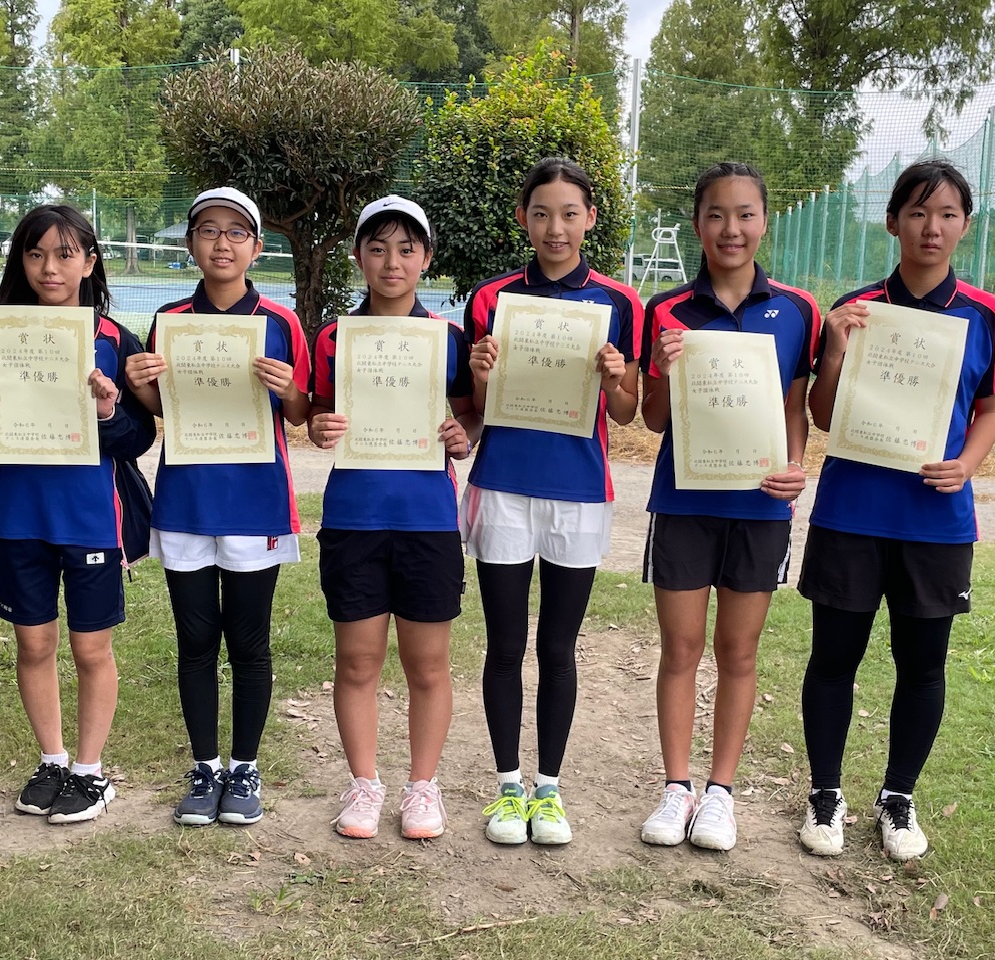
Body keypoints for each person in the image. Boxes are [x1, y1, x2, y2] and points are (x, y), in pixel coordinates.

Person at [796, 159, 995, 861]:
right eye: (918, 213)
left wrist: (968, 464)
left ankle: (898, 798)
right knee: (835, 659)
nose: (933, 228)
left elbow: (992, 407)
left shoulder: (987, 316)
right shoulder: (857, 309)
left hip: (936, 519)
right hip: (852, 513)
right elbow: (824, 414)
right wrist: (834, 351)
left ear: (965, 224)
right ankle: (824, 796)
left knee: (923, 665)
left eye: (948, 214)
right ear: (892, 221)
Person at [637, 162, 818, 852]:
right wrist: (661, 364)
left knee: (737, 651)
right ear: (697, 225)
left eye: (745, 214)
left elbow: (793, 409)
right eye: (716, 215)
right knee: (680, 649)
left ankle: (721, 794)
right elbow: (653, 420)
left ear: (764, 221)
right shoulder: (668, 310)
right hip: (683, 502)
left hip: (761, 509)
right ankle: (675, 788)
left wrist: (795, 464)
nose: (731, 229)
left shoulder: (798, 310)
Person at [464, 157, 641, 845]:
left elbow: (625, 415)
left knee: (560, 646)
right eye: (542, 213)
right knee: (505, 643)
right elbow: (479, 408)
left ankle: (550, 791)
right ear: (523, 219)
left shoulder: (620, 304)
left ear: (591, 219)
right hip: (503, 486)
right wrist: (480, 375)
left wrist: (619, 377)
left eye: (570, 213)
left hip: (578, 492)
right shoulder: (492, 298)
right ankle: (508, 787)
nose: (556, 227)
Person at [0, 205, 155, 823]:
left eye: (66, 254)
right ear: (21, 260)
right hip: (20, 516)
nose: (50, 267)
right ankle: (52, 759)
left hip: (92, 518)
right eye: (37, 253)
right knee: (34, 643)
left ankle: (91, 772)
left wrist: (107, 414)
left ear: (90, 263)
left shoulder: (115, 339)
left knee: (91, 649)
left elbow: (138, 439)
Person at [125, 187, 310, 828]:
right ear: (191, 245)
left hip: (256, 503)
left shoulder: (281, 324)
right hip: (186, 501)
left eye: (237, 233)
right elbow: (159, 411)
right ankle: (205, 768)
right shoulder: (170, 319)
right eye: (209, 231)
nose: (222, 244)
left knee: (250, 642)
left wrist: (289, 391)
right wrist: (140, 387)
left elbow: (302, 416)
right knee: (196, 639)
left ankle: (245, 766)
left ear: (257, 248)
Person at [308, 196, 480, 840]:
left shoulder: (448, 340)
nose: (391, 261)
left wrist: (463, 434)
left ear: (427, 260)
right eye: (377, 247)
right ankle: (363, 785)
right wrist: (321, 425)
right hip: (354, 517)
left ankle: (422, 787)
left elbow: (469, 414)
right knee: (356, 661)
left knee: (428, 664)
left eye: (407, 249)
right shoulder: (334, 338)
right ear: (358, 257)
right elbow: (320, 415)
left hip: (429, 520)